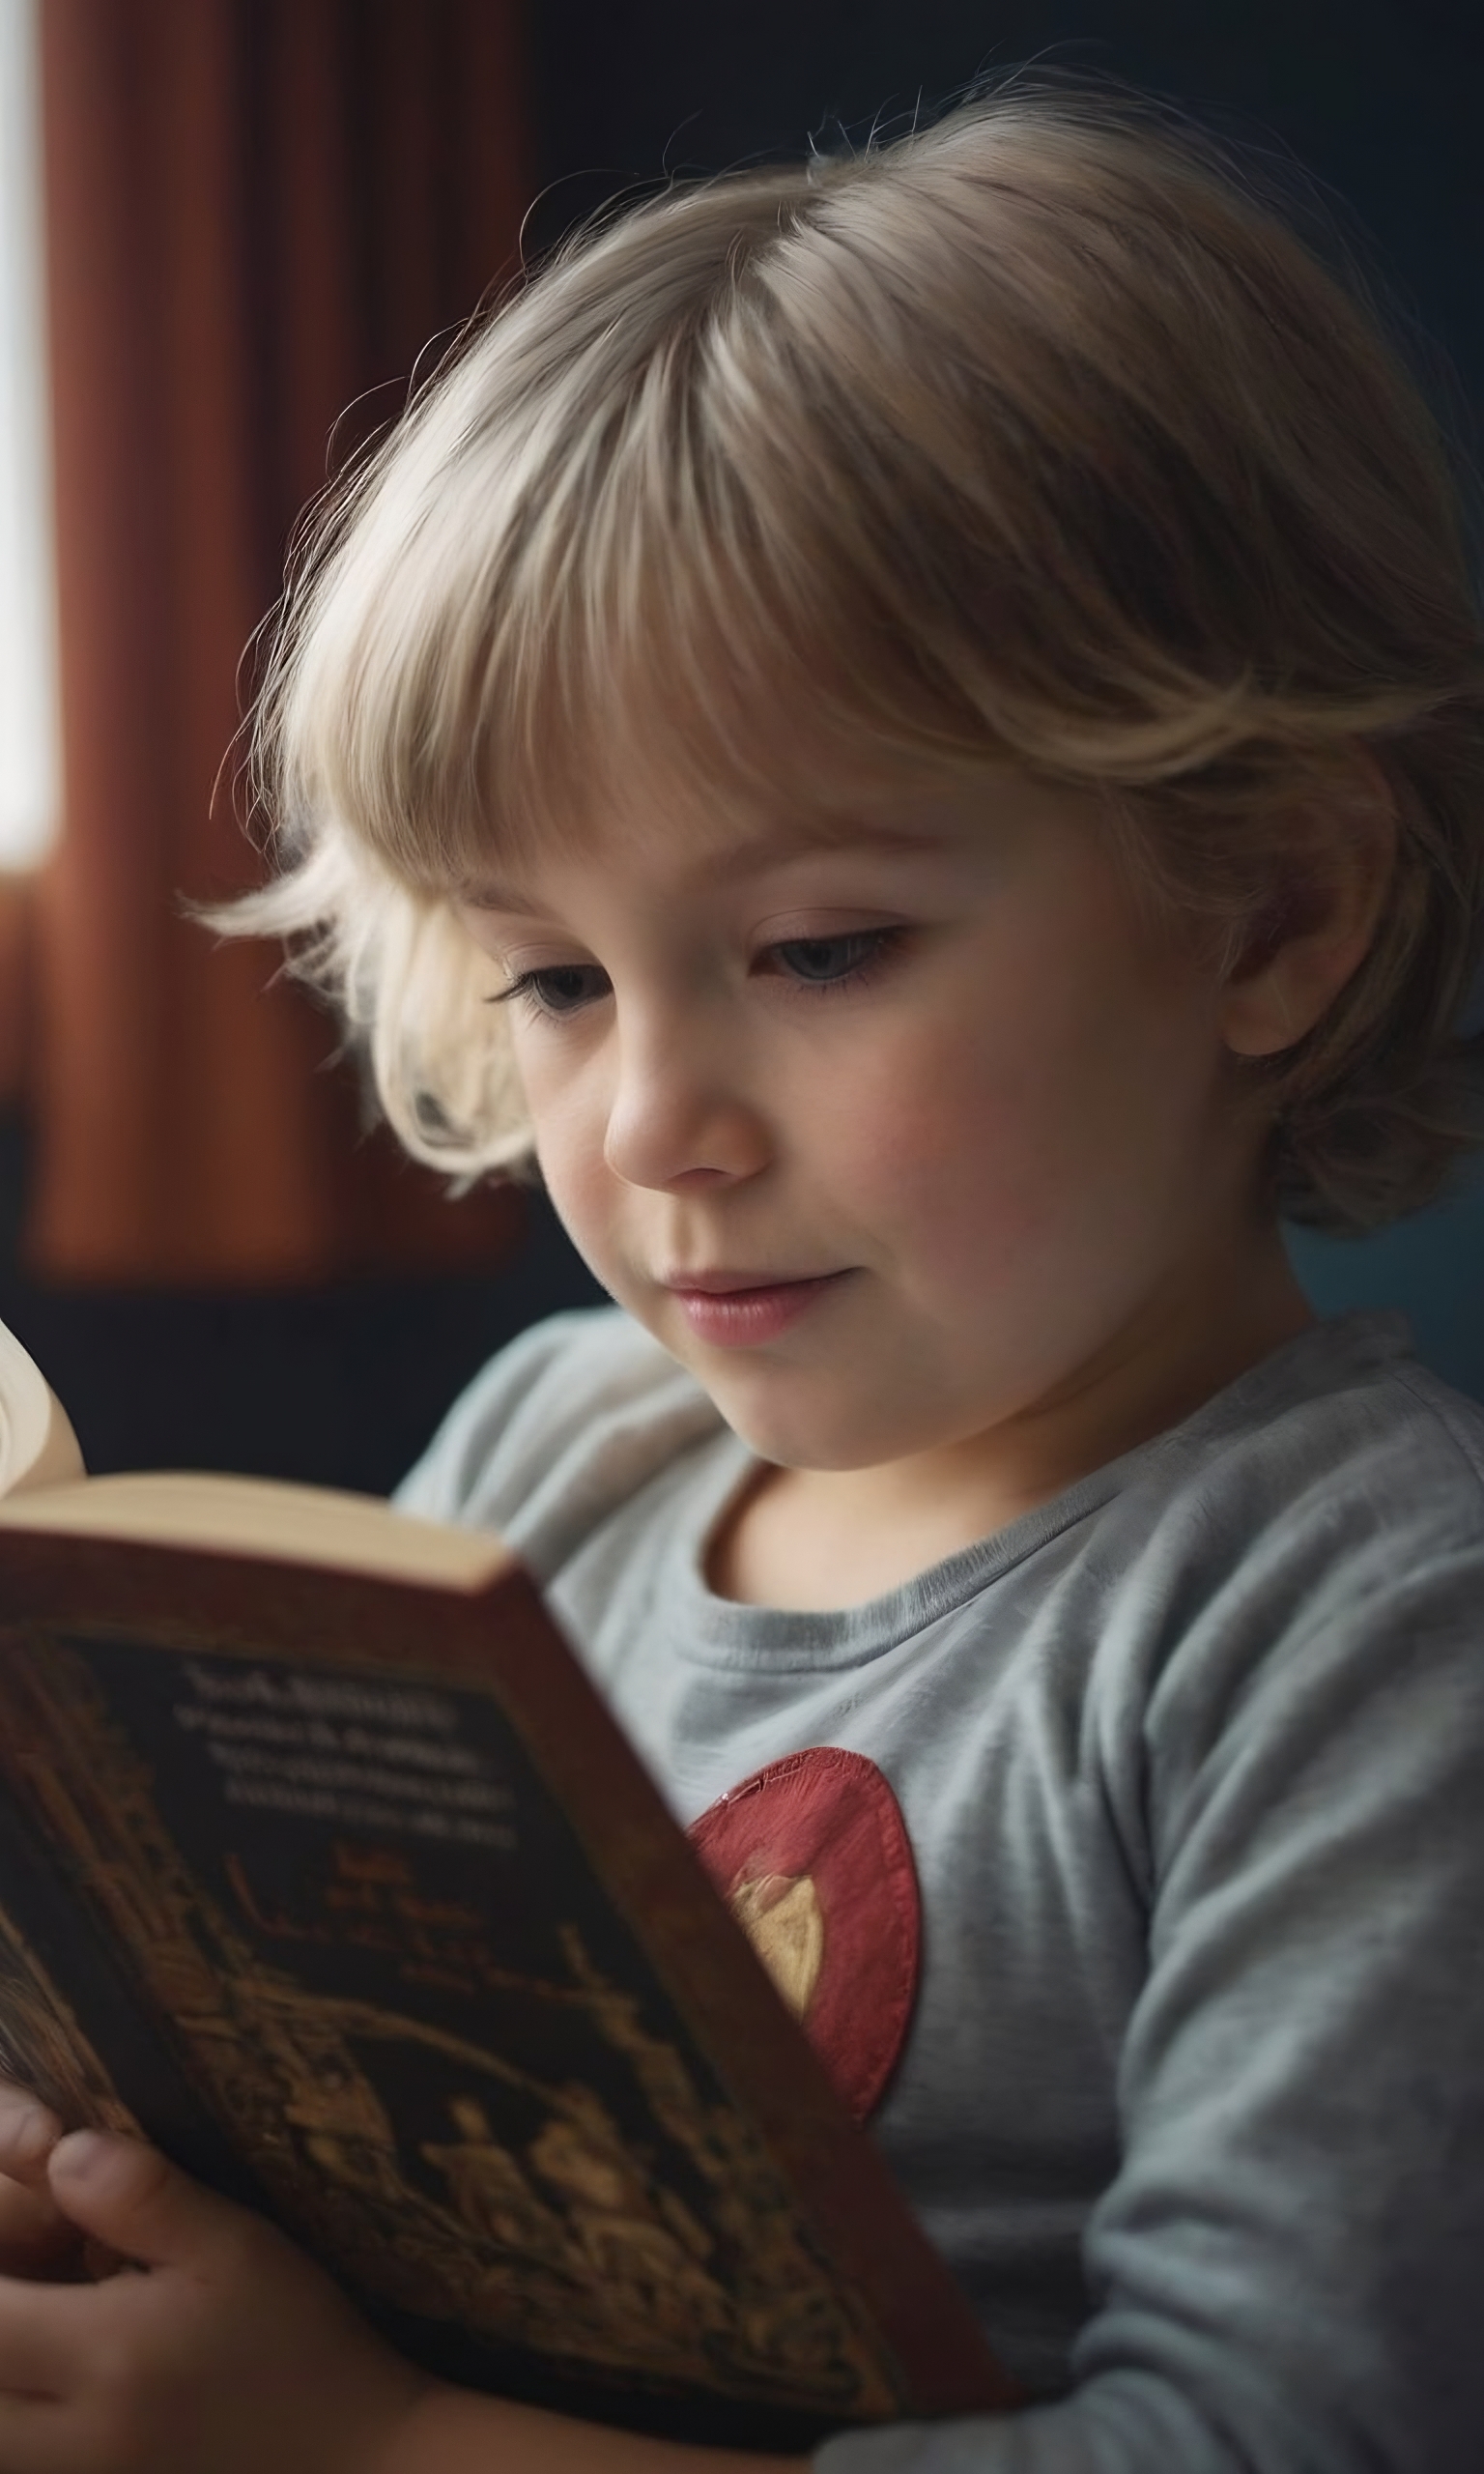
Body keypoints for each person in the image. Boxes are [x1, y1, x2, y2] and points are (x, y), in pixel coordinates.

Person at [0, 76, 1481, 2474]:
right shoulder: (549, 1459)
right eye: (555, 981)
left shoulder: (1362, 1626)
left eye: (815, 948)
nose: (648, 1121)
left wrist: (370, 2445)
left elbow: (1271, 2440)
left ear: (1280, 911)